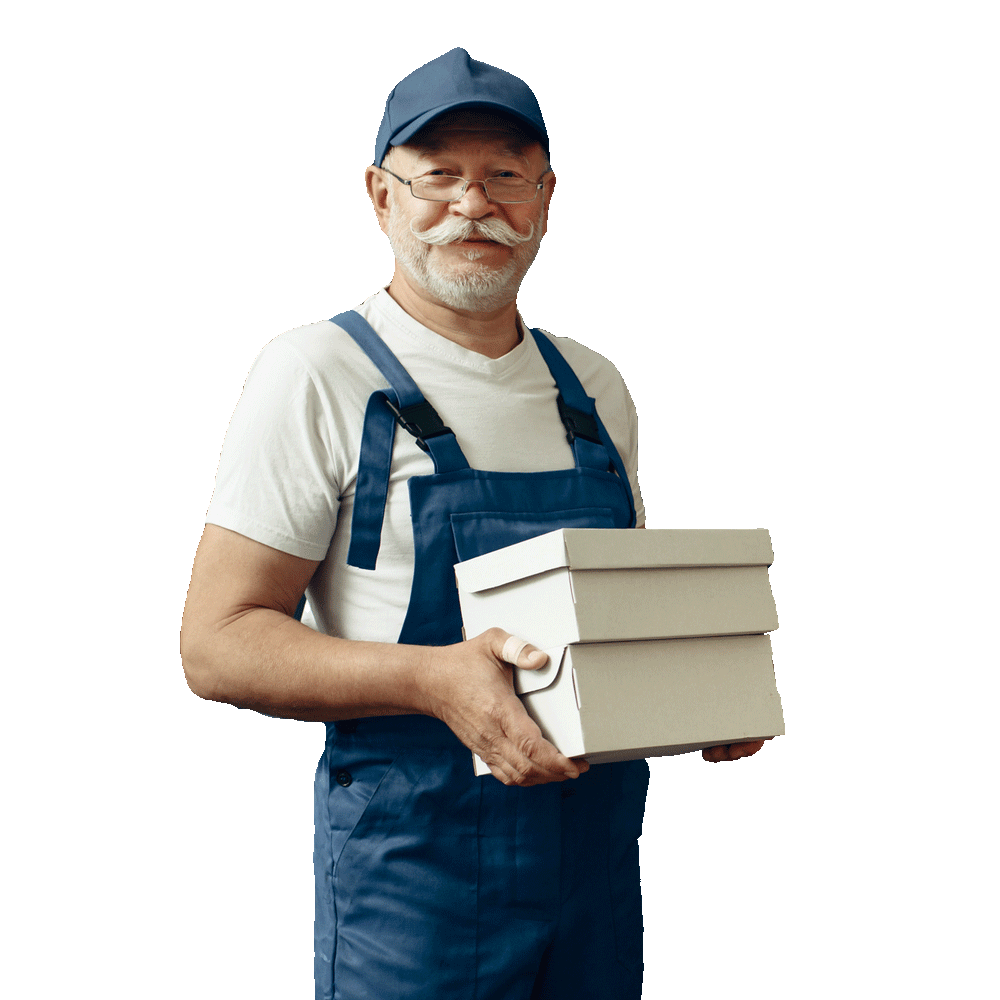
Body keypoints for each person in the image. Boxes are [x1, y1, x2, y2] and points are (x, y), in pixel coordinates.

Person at [181, 48, 767, 1000]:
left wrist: (698, 690)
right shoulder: (316, 372)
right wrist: (434, 679)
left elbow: (613, 623)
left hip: (596, 869)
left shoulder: (596, 388)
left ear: (545, 198)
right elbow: (215, 648)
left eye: (505, 175)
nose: (474, 203)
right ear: (381, 197)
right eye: (439, 176)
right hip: (417, 876)